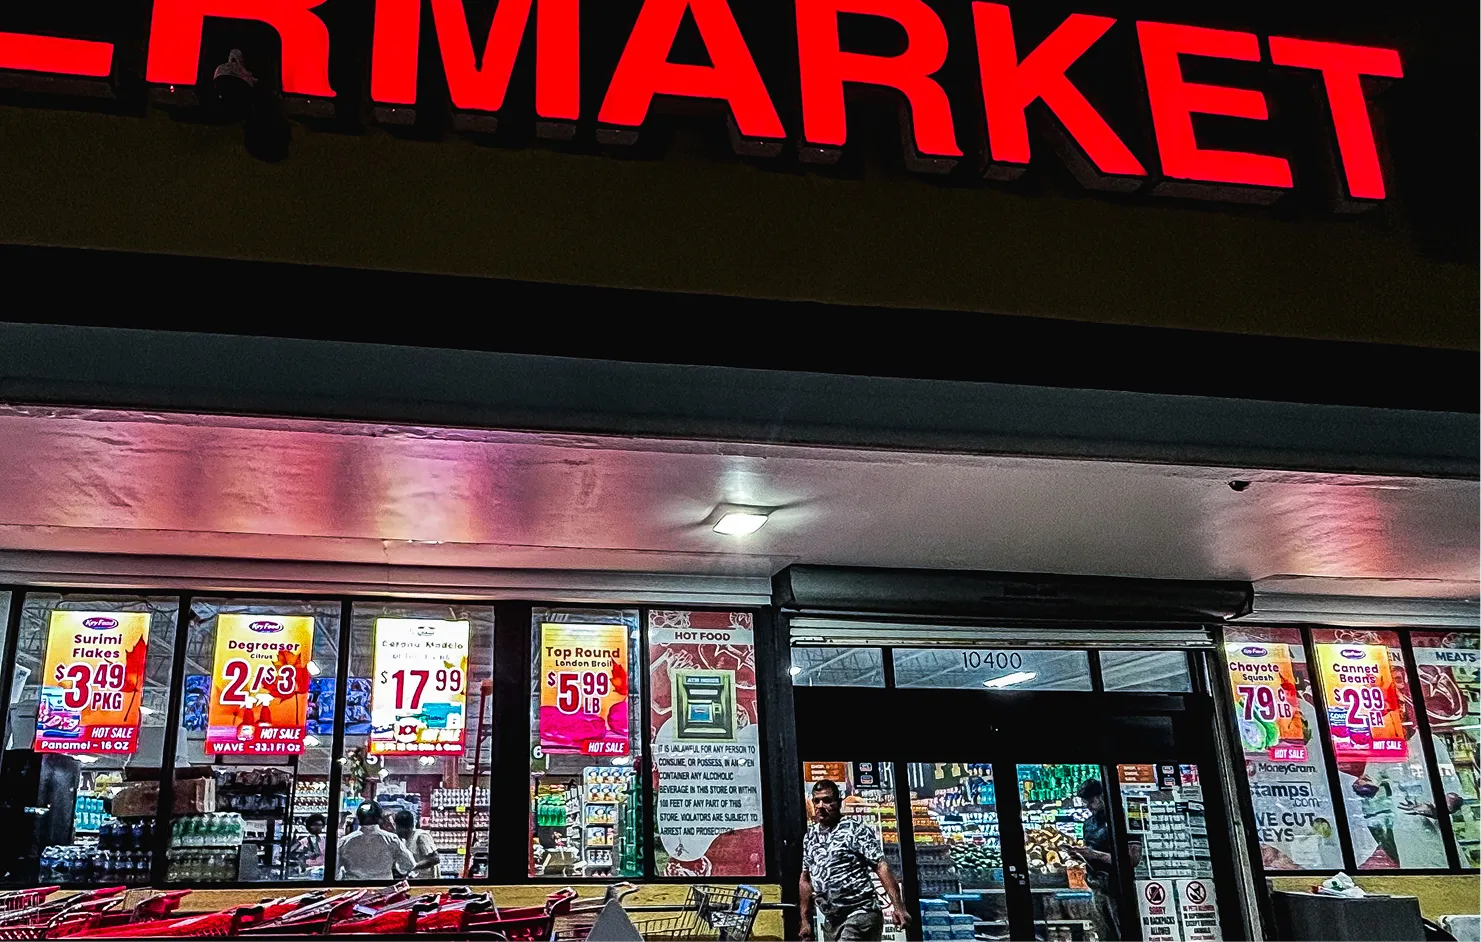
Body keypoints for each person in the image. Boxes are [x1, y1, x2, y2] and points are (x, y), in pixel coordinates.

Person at [800, 780, 909, 942]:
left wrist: (898, 907)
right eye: (817, 801)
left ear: (839, 803)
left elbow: (880, 866)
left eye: (827, 800)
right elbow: (805, 879)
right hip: (832, 920)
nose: (821, 806)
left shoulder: (855, 829)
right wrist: (805, 921)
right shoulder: (811, 837)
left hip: (861, 913)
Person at [1063, 779, 1122, 942]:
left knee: (1121, 928)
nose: (1088, 806)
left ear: (1102, 797)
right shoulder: (1088, 824)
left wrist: (1094, 855)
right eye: (1085, 802)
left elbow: (1130, 859)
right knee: (1104, 932)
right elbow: (1090, 852)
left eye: (1091, 801)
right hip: (1096, 885)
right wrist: (1079, 855)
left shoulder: (1118, 820)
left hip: (1117, 887)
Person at [336, 801, 415, 881]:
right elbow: (409, 865)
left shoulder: (345, 841)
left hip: (353, 889)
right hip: (383, 889)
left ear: (358, 818)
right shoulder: (391, 839)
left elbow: (335, 872)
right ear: (380, 819)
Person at [393, 809, 441, 880]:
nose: (396, 830)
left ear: (405, 828)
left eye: (397, 827)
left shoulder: (421, 836)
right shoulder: (404, 840)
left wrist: (413, 866)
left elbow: (435, 859)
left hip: (428, 880)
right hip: (415, 879)